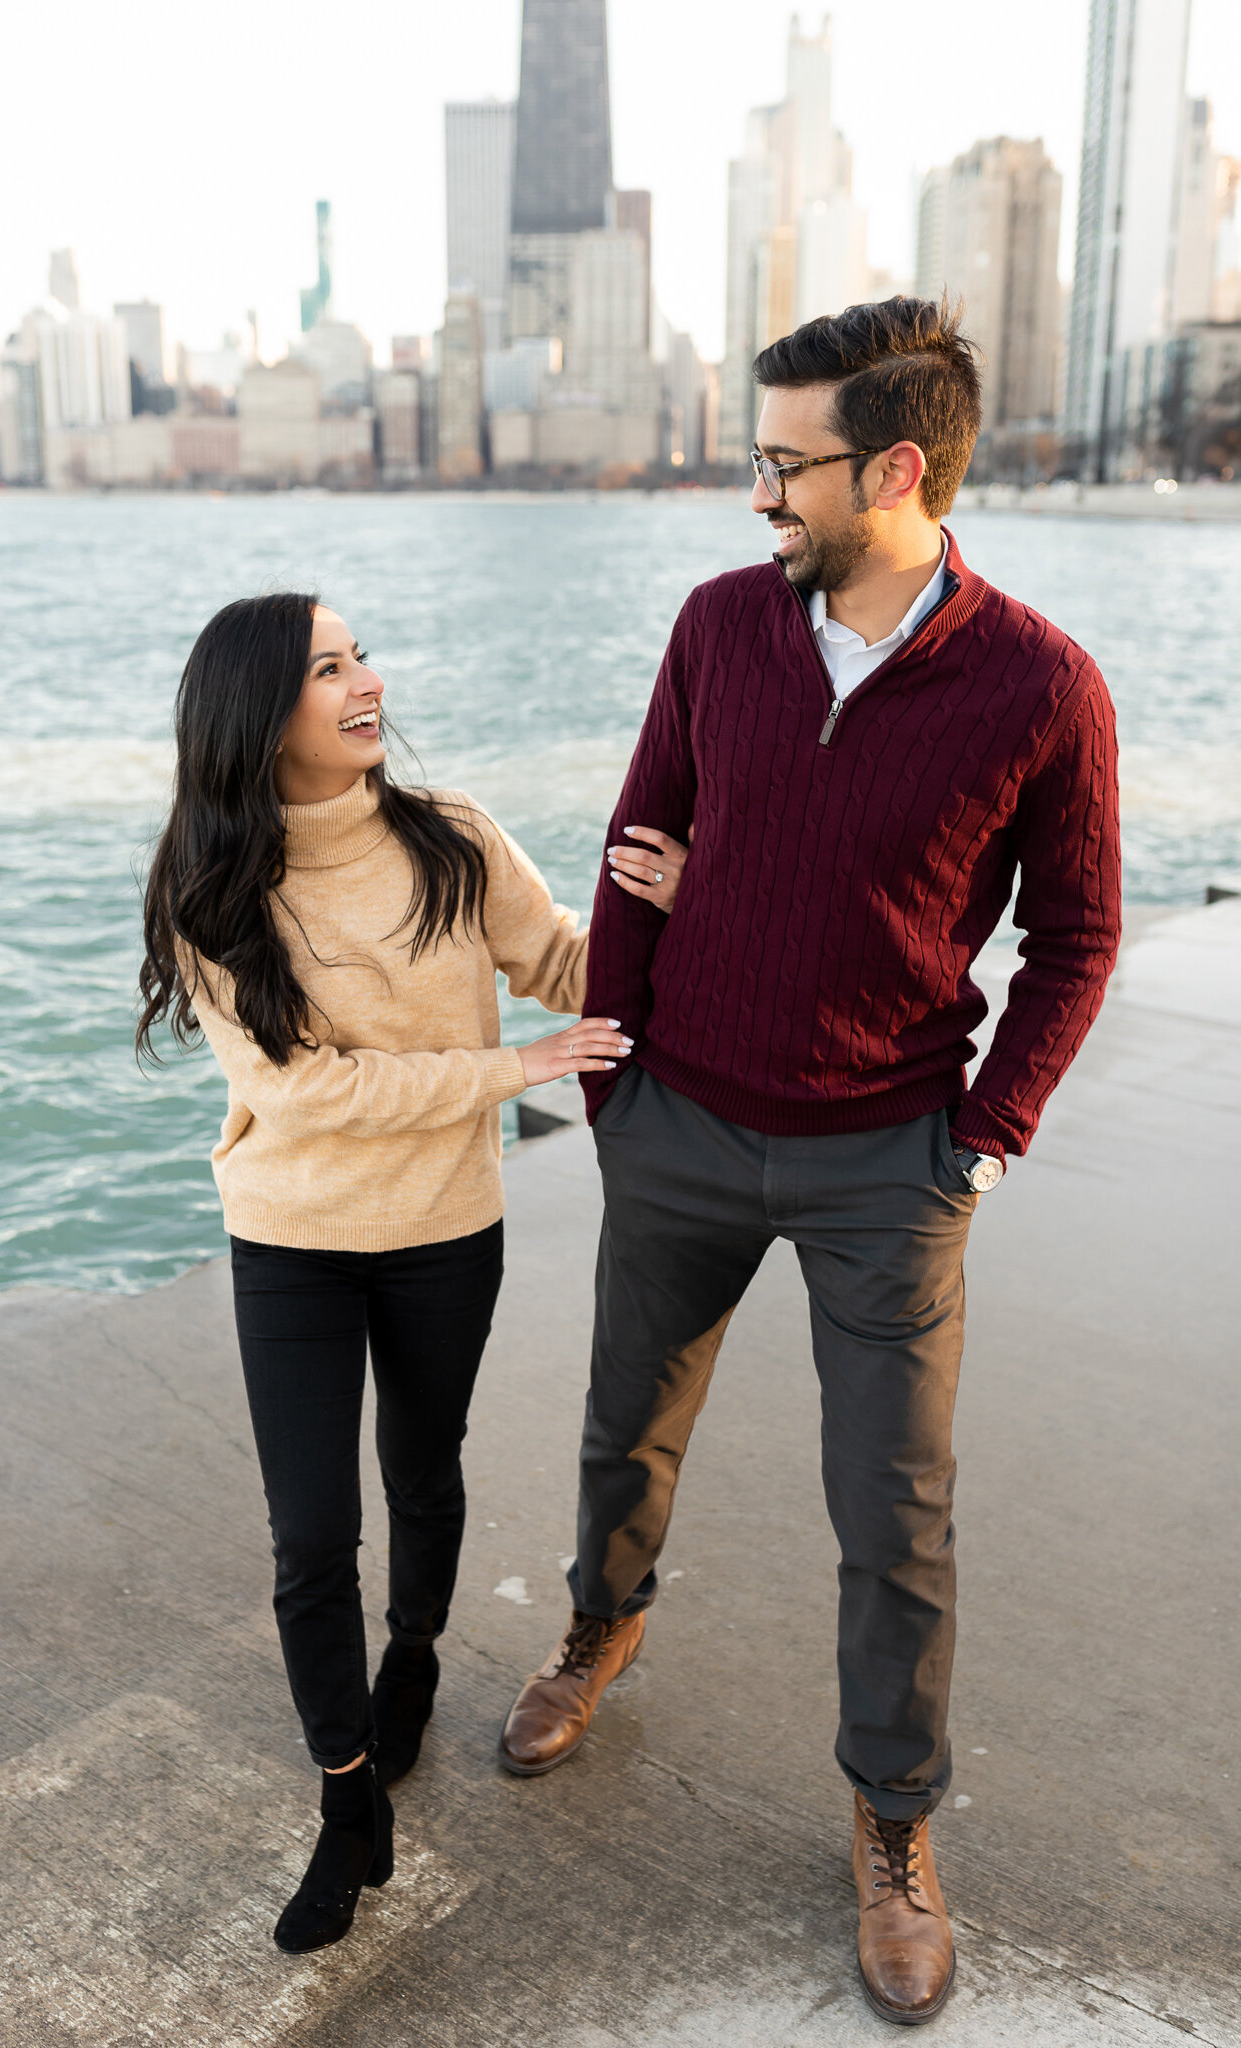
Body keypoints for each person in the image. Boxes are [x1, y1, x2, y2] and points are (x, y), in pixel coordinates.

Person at [498, 299, 1122, 2026]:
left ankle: (895, 1824)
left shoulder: (1044, 686)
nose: (755, 495)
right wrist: (619, 1088)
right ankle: (595, 1634)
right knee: (627, 1427)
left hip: (887, 1162)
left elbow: (1075, 941)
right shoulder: (718, 629)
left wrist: (983, 1143)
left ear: (897, 467)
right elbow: (642, 854)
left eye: (784, 464)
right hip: (682, 1124)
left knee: (895, 1518)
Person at [137, 593, 686, 1955]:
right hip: (294, 1243)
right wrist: (509, 1072)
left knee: (423, 1471)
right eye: (328, 668)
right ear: (260, 716)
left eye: (361, 654)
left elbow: (562, 961)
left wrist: (671, 909)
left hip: (446, 1226)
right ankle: (345, 1808)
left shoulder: (450, 838)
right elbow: (300, 1093)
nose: (367, 681)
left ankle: (418, 1660)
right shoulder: (210, 884)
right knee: (310, 1537)